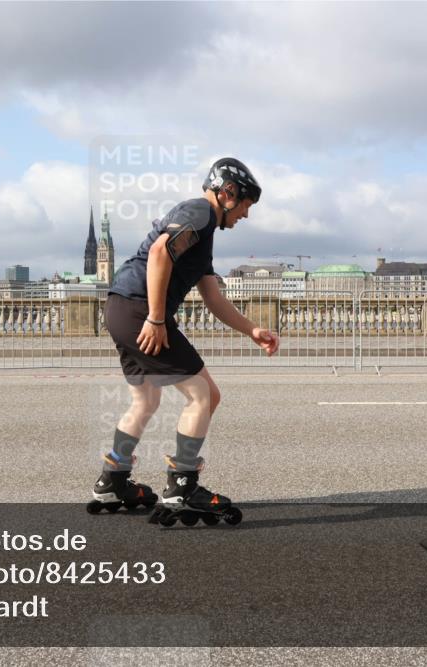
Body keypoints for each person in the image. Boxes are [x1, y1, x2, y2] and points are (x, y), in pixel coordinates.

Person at [87, 157, 280, 526]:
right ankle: (182, 487)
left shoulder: (203, 236)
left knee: (146, 399)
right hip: (140, 310)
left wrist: (252, 330)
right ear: (228, 193)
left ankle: (113, 480)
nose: (246, 216)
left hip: (121, 307)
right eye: (245, 205)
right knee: (202, 396)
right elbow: (160, 252)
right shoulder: (200, 212)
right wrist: (157, 318)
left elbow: (214, 297)